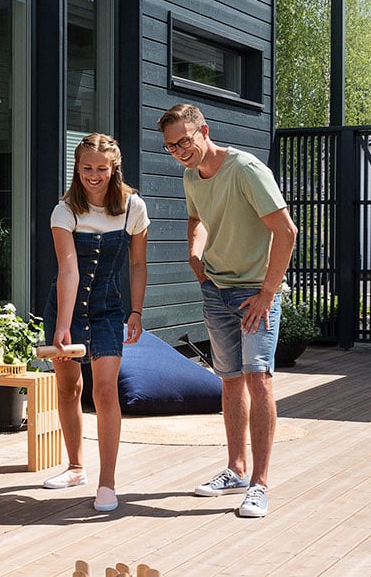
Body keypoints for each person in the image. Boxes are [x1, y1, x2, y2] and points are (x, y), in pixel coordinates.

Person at [158, 103, 297, 518]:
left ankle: (260, 483)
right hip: (216, 291)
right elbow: (196, 219)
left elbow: (286, 232)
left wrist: (268, 294)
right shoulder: (190, 176)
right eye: (171, 146)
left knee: (259, 378)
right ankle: (236, 470)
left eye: (185, 140)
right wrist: (194, 255)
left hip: (256, 292)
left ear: (204, 130)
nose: (180, 150)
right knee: (230, 380)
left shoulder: (246, 169)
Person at [40, 133, 149, 512]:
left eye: (101, 168)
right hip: (66, 306)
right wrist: (62, 324)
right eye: (86, 168)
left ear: (113, 168)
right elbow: (68, 269)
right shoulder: (65, 210)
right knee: (69, 388)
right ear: (77, 167)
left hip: (107, 308)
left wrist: (136, 311)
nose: (93, 175)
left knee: (105, 391)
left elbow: (137, 264)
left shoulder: (134, 208)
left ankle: (108, 483)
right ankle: (74, 467)